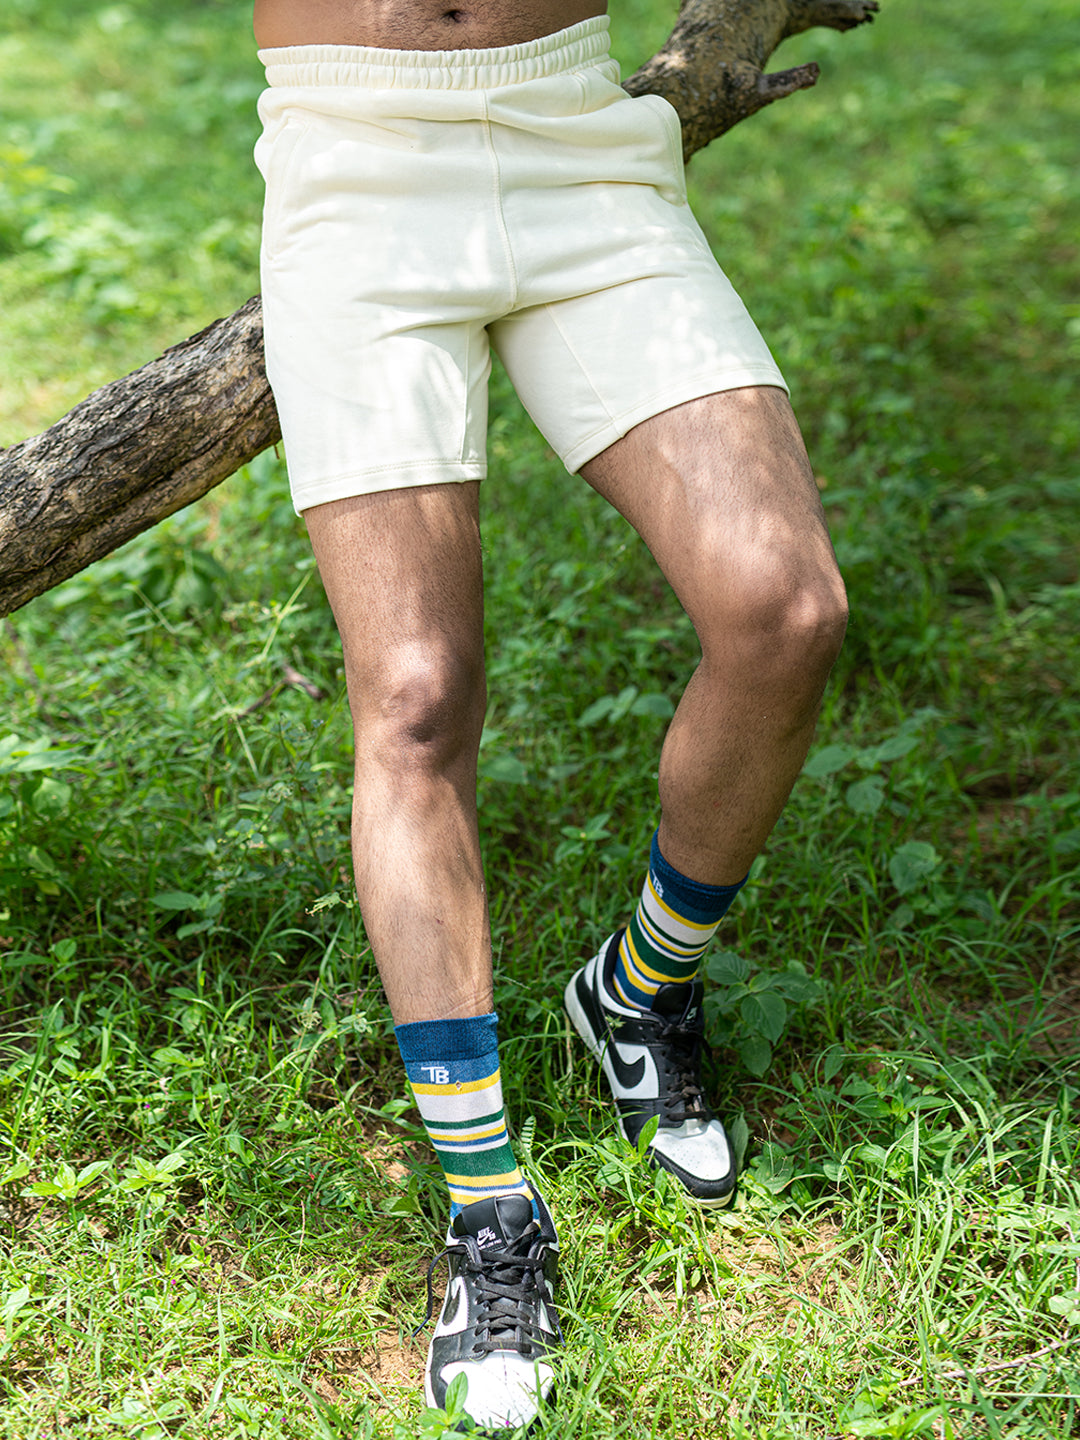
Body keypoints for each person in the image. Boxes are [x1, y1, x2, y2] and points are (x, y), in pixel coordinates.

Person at [252, 0, 848, 1429]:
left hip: (579, 141)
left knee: (786, 611)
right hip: (356, 160)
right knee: (416, 698)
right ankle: (487, 1209)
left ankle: (639, 986)